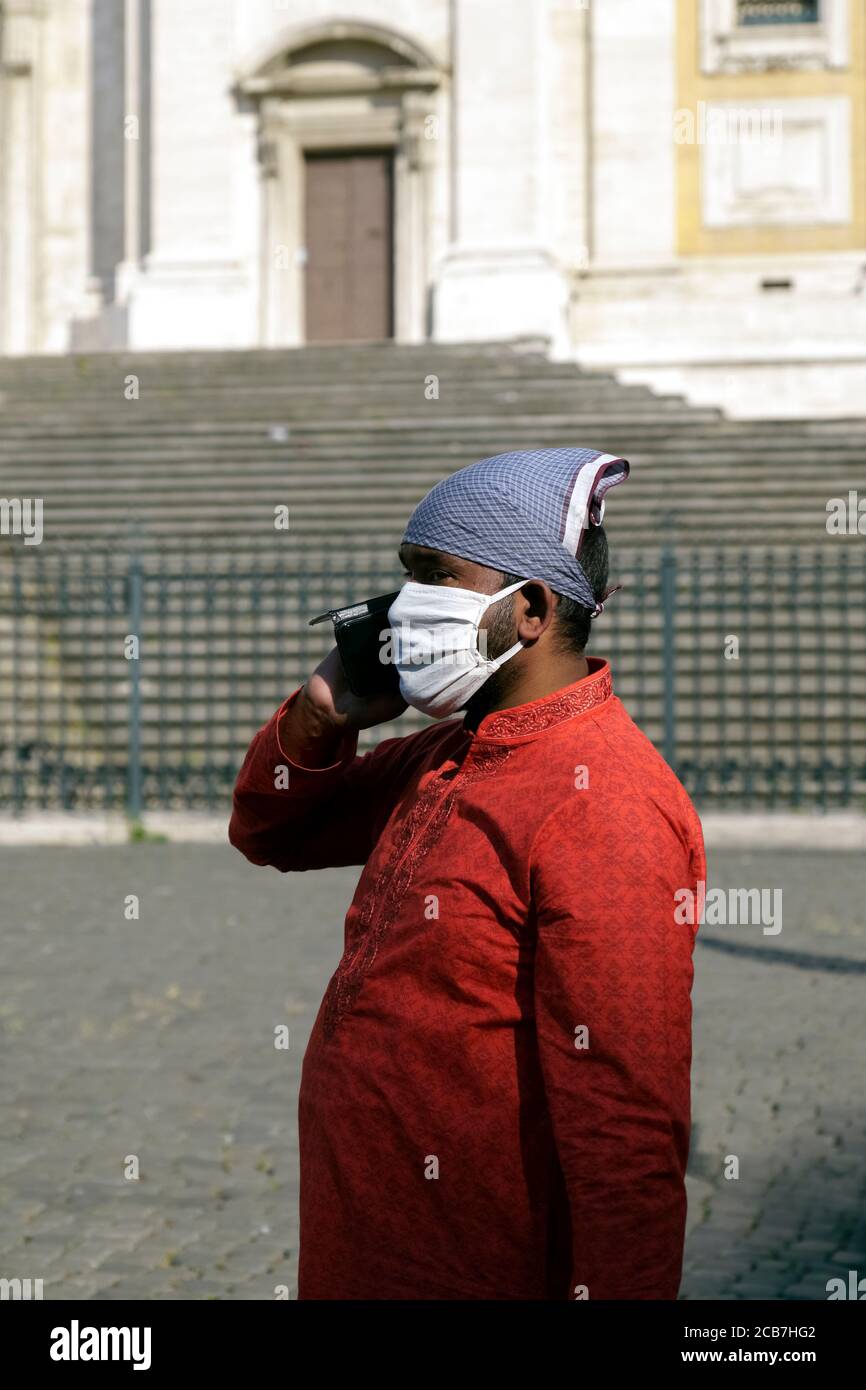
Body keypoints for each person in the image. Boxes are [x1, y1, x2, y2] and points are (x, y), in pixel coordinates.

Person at [228, 447, 706, 1300]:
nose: (404, 606)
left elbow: (626, 1136)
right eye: (403, 576)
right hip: (364, 1251)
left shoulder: (606, 804)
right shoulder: (453, 747)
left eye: (433, 575)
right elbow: (271, 830)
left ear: (528, 608)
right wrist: (320, 715)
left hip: (478, 1265)